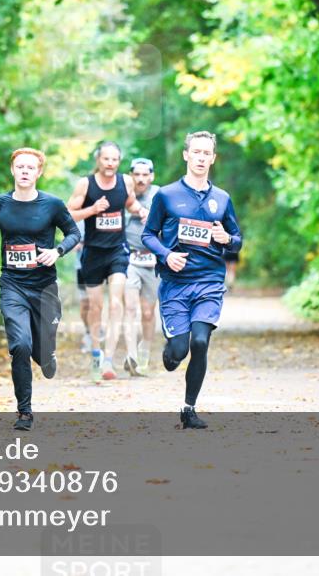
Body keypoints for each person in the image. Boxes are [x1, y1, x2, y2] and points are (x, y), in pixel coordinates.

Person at [141, 131, 242, 429]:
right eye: (195, 152)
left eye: (206, 153)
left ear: (213, 158)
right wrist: (165, 255)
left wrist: (227, 238)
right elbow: (148, 234)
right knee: (179, 351)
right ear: (186, 155)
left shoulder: (222, 199)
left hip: (209, 281)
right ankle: (170, 352)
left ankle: (189, 409)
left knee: (200, 341)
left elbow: (237, 241)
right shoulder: (167, 195)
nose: (200, 157)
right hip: (175, 283)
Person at [0, 148, 80, 431]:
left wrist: (56, 251)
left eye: (30, 167)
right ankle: (24, 412)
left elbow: (74, 233)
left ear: (38, 172)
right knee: (20, 345)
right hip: (13, 285)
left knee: (41, 349)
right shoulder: (0, 204)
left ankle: (47, 353)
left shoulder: (53, 204)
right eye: (19, 166)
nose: (24, 171)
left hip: (44, 286)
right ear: (13, 170)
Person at [67, 141, 147, 381]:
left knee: (115, 303)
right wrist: (92, 209)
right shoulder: (86, 184)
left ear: (119, 161)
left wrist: (140, 210)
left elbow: (130, 202)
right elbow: (67, 213)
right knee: (95, 307)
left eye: (114, 160)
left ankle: (108, 360)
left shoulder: (126, 181)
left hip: (117, 251)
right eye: (106, 159)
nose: (110, 164)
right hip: (92, 252)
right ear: (98, 160)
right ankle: (96, 354)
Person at [122, 158, 160, 377]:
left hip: (152, 260)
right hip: (129, 259)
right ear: (131, 175)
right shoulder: (124, 195)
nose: (141, 179)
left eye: (145, 175)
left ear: (151, 176)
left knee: (147, 312)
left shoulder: (159, 195)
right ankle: (131, 354)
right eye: (137, 174)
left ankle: (144, 352)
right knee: (130, 308)